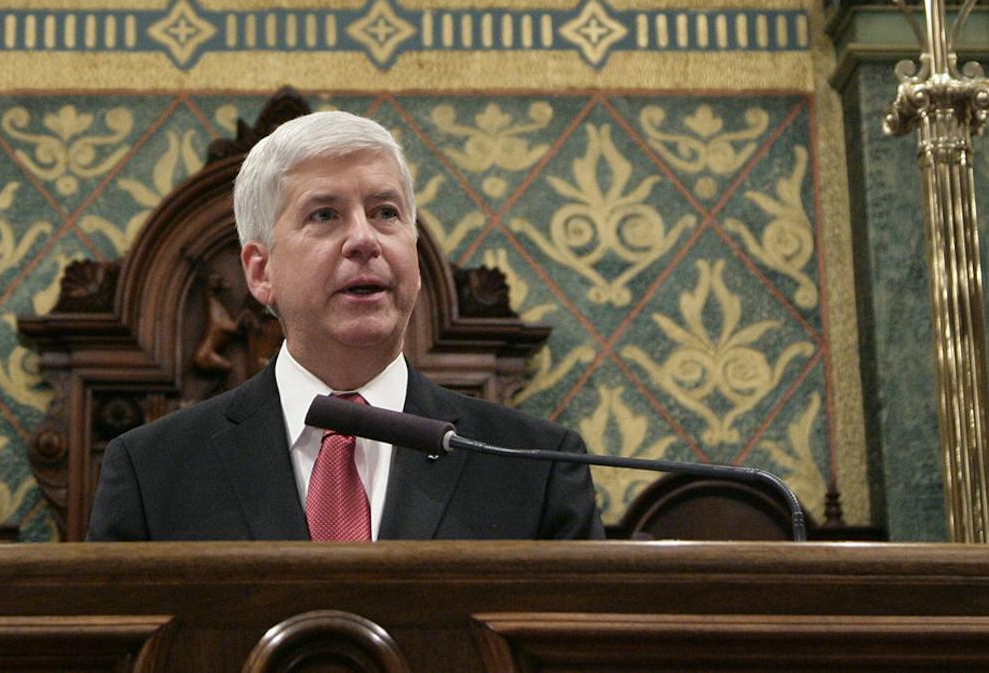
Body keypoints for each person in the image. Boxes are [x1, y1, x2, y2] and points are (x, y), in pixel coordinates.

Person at [88, 110, 604, 540]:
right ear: (261, 272)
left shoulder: (534, 467)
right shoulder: (152, 471)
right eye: (324, 216)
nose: (364, 240)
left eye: (385, 212)